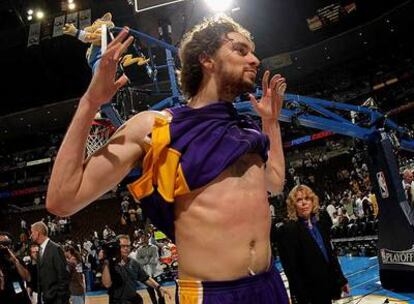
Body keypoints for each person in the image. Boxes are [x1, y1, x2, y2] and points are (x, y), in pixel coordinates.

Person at [47, 15, 288, 303]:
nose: (255, 59)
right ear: (207, 60)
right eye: (241, 50)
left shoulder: (247, 130)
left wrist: (270, 123)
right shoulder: (155, 127)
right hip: (210, 294)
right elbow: (62, 199)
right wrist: (90, 102)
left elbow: (274, 183)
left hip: (269, 285)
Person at [276, 185, 350, 304]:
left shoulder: (320, 224)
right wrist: (302, 297)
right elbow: (292, 271)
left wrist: (341, 280)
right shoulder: (288, 231)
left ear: (312, 201)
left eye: (307, 198)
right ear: (293, 205)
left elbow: (330, 255)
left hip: (326, 287)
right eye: (299, 200)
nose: (304, 203)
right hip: (308, 294)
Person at [101, 235, 172, 304]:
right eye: (123, 246)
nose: (126, 248)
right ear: (117, 247)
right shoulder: (109, 264)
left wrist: (159, 287)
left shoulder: (133, 262)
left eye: (128, 246)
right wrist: (106, 262)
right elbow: (107, 284)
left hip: (133, 300)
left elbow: (145, 278)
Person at [30, 221, 70, 304]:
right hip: (45, 299)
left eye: (32, 232)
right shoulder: (40, 250)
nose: (31, 235)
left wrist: (60, 300)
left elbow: (63, 277)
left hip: (56, 300)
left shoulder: (55, 249)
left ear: (37, 233)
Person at [0, 231, 31, 304]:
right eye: (0, 243)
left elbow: (27, 278)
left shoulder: (17, 259)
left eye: (5, 243)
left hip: (20, 296)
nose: (2, 246)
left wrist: (15, 261)